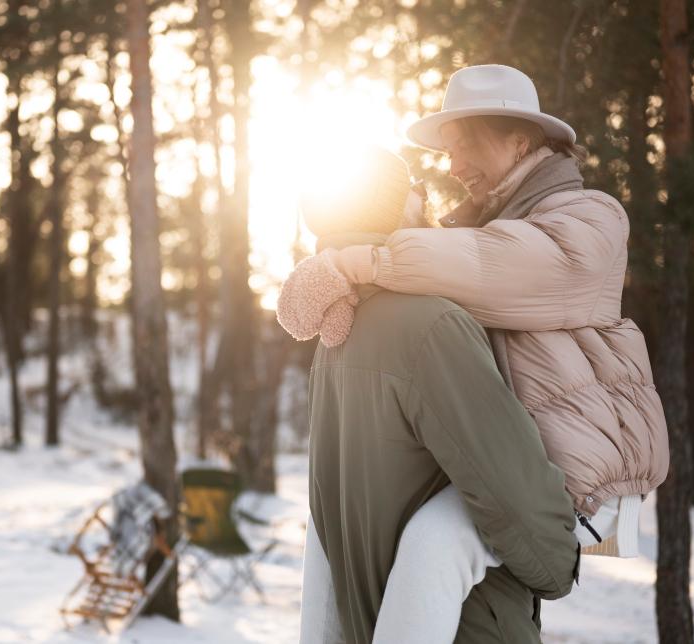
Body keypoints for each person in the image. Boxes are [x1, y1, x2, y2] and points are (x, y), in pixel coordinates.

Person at [281, 64, 670, 642]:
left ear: (520, 139)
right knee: (337, 537)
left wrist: (354, 263)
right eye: (448, 153)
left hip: (581, 477)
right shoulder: (469, 235)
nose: (452, 167)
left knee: (435, 543)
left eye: (465, 148)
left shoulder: (590, 220)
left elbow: (493, 265)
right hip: (521, 459)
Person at [282, 147, 579, 644]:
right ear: (392, 209)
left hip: (376, 620)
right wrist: (559, 561)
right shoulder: (430, 324)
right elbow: (508, 482)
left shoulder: (339, 332)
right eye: (411, 189)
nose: (424, 195)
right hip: (465, 625)